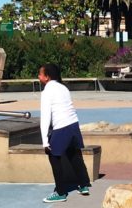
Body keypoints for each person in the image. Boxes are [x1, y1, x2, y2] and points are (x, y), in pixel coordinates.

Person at [38, 64, 91, 203]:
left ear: (47, 77)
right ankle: (84, 184)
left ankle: (61, 192)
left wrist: (45, 141)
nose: (38, 76)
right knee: (74, 154)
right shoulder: (63, 88)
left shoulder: (47, 92)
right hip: (73, 125)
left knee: (53, 156)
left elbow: (45, 118)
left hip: (62, 127)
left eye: (40, 74)